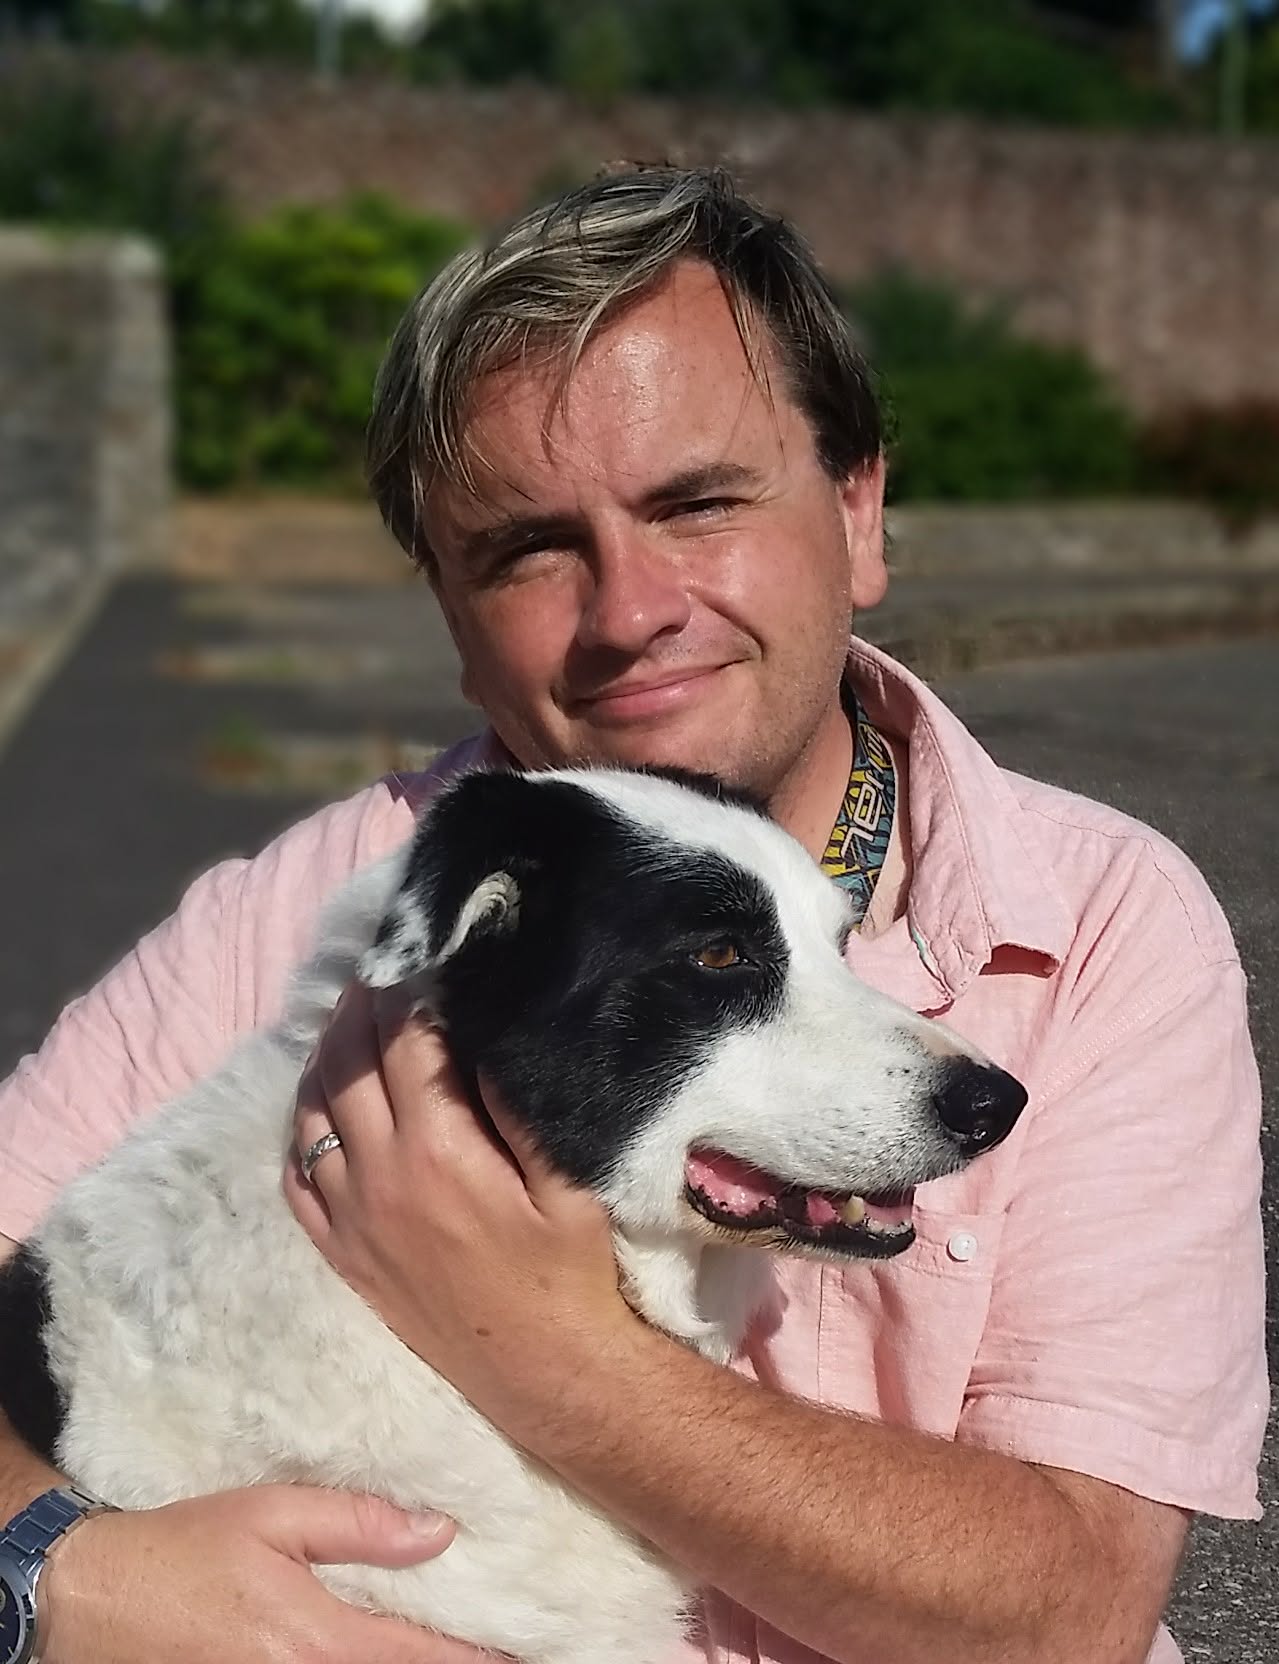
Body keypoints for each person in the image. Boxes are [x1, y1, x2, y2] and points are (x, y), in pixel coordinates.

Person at [0, 167, 1266, 1664]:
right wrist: (53, 1569)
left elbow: (1065, 1614)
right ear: (452, 618)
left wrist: (535, 1334)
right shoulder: (311, 906)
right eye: (529, 549)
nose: (630, 608)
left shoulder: (1101, 927)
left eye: (698, 502)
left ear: (858, 511)